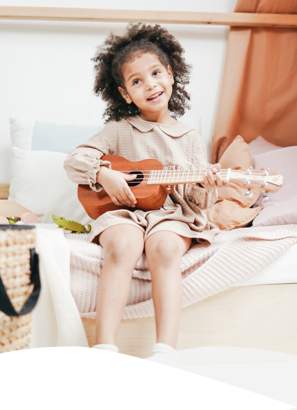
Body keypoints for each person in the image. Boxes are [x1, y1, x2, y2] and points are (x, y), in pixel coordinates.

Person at [64, 23, 229, 358]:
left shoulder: (191, 139)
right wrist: (104, 175)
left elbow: (198, 202)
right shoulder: (118, 131)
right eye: (136, 81)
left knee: (166, 249)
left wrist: (204, 184)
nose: (149, 84)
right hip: (123, 212)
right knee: (123, 244)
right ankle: (104, 348)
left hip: (170, 215)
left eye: (155, 73)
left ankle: (165, 351)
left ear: (170, 75)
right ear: (126, 94)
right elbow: (74, 161)